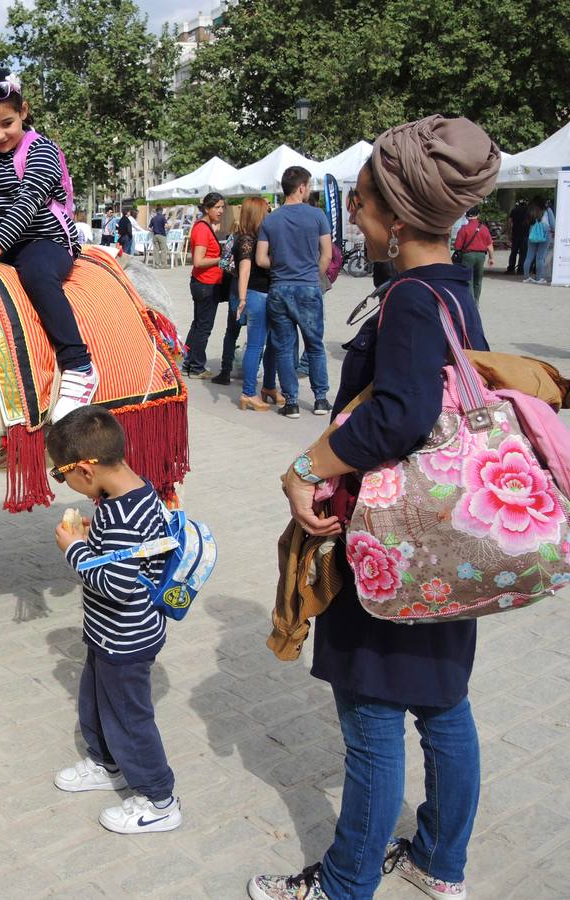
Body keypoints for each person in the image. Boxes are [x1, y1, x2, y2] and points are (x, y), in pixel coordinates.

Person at [248, 115, 501, 900]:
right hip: (445, 538)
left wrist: (302, 468)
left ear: (395, 219)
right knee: (444, 708)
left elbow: (400, 413)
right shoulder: (453, 291)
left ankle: (346, 883)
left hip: (393, 544)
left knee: (373, 720)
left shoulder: (411, 301)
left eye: (357, 205)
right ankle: (437, 862)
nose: (350, 220)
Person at [49, 405, 181, 835]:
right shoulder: (133, 493)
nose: (62, 483)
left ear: (85, 471)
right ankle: (107, 763)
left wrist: (75, 549)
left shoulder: (121, 513)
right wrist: (95, 536)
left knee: (128, 717)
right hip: (108, 634)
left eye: (60, 475)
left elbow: (116, 583)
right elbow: (125, 554)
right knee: (94, 700)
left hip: (126, 638)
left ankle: (159, 798)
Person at [0, 68, 97, 422]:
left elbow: (28, 201)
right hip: (5, 242)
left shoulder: (42, 149)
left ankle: (79, 365)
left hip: (47, 239)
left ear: (24, 112)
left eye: (7, 123)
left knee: (37, 274)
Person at [257, 166, 332, 419]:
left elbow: (261, 259)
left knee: (284, 348)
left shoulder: (270, 219)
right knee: (315, 345)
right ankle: (321, 399)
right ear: (302, 187)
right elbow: (327, 255)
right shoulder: (317, 215)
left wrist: (282, 264)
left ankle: (291, 403)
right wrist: (313, 274)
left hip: (279, 288)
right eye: (309, 186)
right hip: (308, 287)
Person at [227, 198, 278, 410]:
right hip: (256, 295)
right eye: (265, 211)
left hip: (263, 294)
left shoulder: (254, 237)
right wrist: (243, 299)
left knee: (270, 345)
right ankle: (248, 392)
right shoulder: (247, 239)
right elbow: (244, 270)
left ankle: (268, 387)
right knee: (256, 345)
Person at [182, 192, 226, 379]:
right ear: (207, 209)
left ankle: (189, 362)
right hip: (205, 283)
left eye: (222, 207)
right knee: (204, 326)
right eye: (217, 207)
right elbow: (198, 261)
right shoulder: (202, 229)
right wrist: (221, 258)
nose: (221, 211)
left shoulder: (206, 227)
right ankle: (197, 367)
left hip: (205, 283)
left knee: (198, 324)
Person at [452, 206, 495, 304]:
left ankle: (470, 302)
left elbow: (457, 247)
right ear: (478, 215)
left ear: (467, 216)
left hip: (468, 255)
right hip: (481, 256)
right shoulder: (484, 228)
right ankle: (476, 302)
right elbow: (489, 244)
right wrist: (491, 258)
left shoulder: (464, 229)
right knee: (478, 280)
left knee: (469, 279)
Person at [523, 199, 555, 284]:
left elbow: (526, 223)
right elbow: (553, 225)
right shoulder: (547, 210)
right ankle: (539, 278)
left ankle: (526, 277)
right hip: (545, 232)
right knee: (540, 257)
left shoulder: (530, 210)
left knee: (529, 256)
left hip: (532, 232)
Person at [506, 196, 529, 274]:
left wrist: (509, 232)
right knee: (523, 253)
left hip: (515, 233)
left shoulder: (514, 210)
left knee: (513, 252)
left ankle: (511, 268)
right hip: (525, 234)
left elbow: (509, 222)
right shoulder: (528, 211)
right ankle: (520, 269)